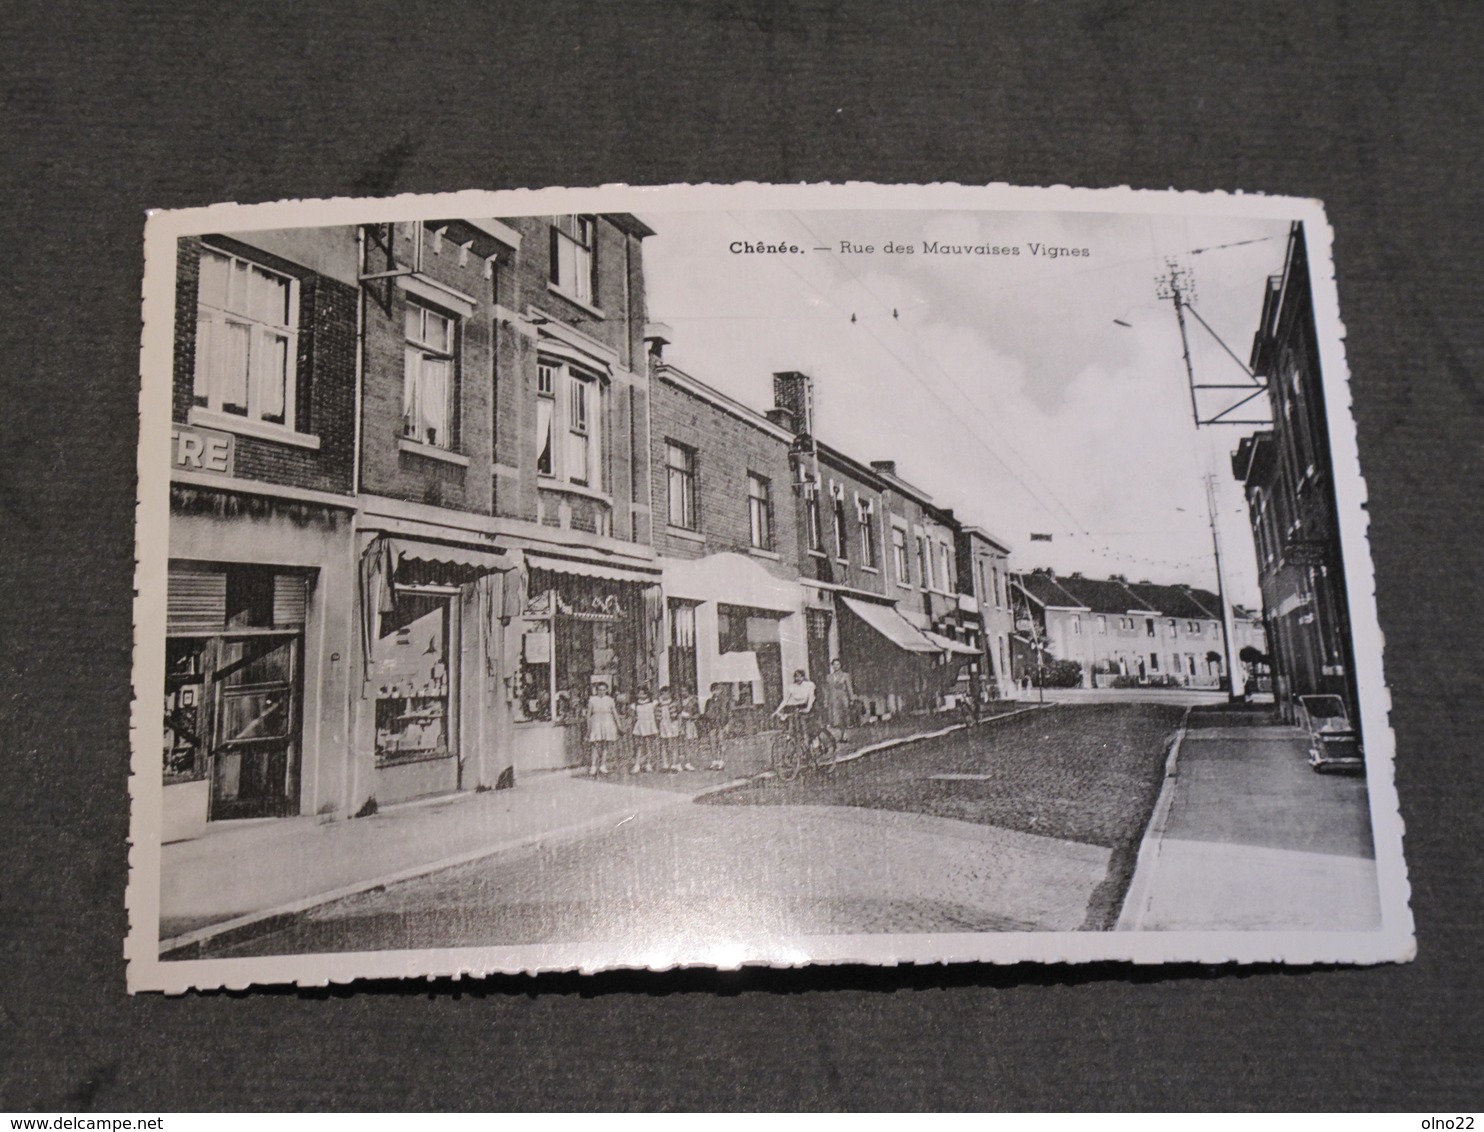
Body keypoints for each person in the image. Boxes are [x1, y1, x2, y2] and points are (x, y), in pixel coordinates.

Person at [773, 668, 818, 744]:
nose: (798, 678)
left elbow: (811, 697)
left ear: (803, 677)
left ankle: (815, 744)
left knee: (808, 728)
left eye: (800, 676)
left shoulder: (809, 685)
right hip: (798, 707)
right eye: (796, 677)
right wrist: (777, 711)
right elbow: (785, 700)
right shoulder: (792, 687)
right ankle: (796, 742)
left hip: (809, 705)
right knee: (793, 724)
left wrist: (808, 708)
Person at [585, 681, 618, 776]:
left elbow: (614, 713)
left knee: (605, 744)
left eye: (603, 690)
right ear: (596, 690)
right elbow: (588, 714)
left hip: (608, 721)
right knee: (595, 744)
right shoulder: (592, 699)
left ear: (607, 690)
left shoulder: (610, 700)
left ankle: (603, 765)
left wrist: (618, 725)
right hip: (596, 721)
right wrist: (588, 726)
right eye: (600, 690)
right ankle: (593, 765)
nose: (601, 692)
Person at [698, 682, 732, 771]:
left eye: (718, 690)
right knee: (712, 742)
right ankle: (714, 761)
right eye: (714, 690)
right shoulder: (709, 701)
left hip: (721, 723)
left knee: (721, 741)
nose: (716, 692)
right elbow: (706, 713)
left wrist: (726, 724)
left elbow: (727, 713)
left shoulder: (725, 701)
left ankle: (721, 761)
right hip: (711, 724)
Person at [824, 658, 857, 738]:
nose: (836, 666)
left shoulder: (845, 675)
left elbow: (849, 688)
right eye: (834, 664)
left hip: (842, 698)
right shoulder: (829, 677)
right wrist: (826, 700)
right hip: (833, 698)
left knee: (843, 716)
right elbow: (827, 690)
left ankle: (844, 735)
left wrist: (851, 698)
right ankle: (837, 736)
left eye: (837, 664)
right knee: (835, 718)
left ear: (840, 665)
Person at [629, 685, 658, 773]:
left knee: (649, 745)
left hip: (649, 725)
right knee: (639, 745)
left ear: (647, 695)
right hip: (640, 726)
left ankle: (648, 764)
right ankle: (637, 764)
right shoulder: (635, 705)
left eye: (643, 694)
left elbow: (657, 713)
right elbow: (632, 715)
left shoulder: (652, 703)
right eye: (639, 694)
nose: (641, 695)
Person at [656, 685, 682, 771]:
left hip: (672, 724)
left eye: (667, 693)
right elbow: (657, 716)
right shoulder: (659, 705)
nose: (665, 696)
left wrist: (679, 725)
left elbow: (679, 715)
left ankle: (674, 764)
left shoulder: (674, 703)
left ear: (670, 694)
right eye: (663, 694)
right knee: (664, 745)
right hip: (663, 725)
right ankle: (665, 764)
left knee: (673, 745)